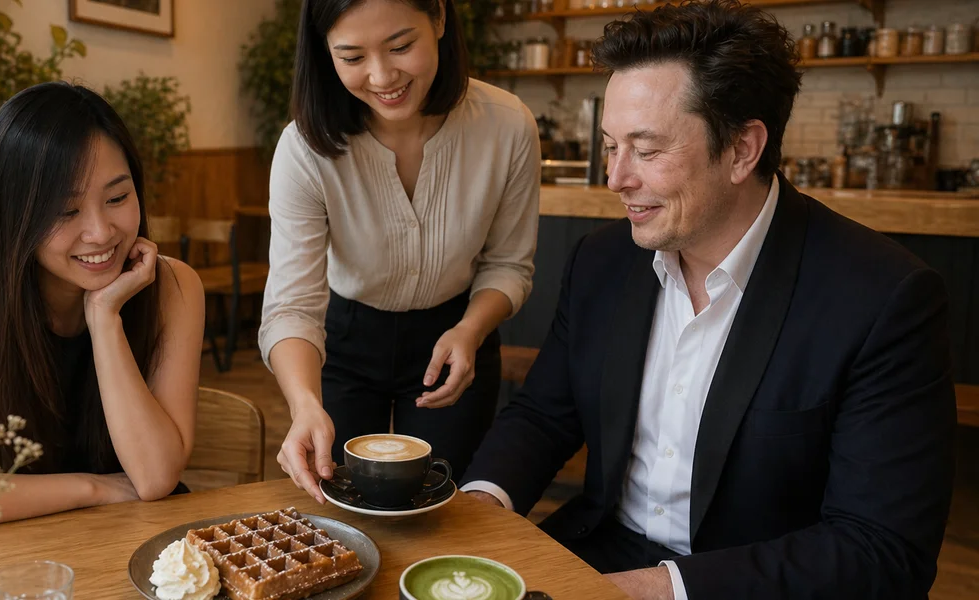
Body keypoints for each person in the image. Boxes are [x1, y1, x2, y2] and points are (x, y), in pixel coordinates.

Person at [459, 1, 956, 598]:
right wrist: (481, 505)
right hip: (598, 554)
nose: (616, 177)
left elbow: (881, 548)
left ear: (743, 149)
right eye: (611, 145)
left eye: (646, 150)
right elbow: (544, 414)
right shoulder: (604, 259)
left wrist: (650, 590)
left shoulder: (882, 297)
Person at [0, 82, 206, 523]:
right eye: (65, 211)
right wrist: (93, 487)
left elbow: (153, 478)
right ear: (14, 213)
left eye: (117, 198)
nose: (100, 232)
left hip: (138, 550)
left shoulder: (173, 287)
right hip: (12, 563)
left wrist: (105, 317)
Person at [262, 0, 540, 503]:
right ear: (324, 53)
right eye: (351, 57)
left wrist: (471, 330)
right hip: (343, 339)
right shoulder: (304, 148)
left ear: (438, 18)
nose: (382, 75)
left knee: (444, 503)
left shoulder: (507, 126)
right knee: (345, 504)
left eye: (401, 46)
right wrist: (304, 404)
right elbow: (292, 305)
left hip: (456, 336)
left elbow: (508, 264)